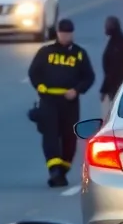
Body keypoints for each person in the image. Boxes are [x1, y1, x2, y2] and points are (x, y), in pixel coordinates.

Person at [27, 18, 95, 188]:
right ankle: (54, 170)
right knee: (50, 134)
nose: (65, 36)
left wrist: (77, 90)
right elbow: (34, 72)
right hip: (49, 100)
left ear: (72, 34)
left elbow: (89, 77)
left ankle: (63, 170)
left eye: (68, 33)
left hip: (69, 101)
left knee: (69, 137)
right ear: (57, 33)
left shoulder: (79, 54)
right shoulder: (46, 52)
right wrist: (40, 86)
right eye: (62, 33)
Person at [99, 15, 123, 121]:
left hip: (116, 87)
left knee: (112, 116)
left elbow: (114, 70)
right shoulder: (117, 42)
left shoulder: (118, 45)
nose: (105, 28)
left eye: (107, 26)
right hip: (116, 86)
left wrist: (104, 89)